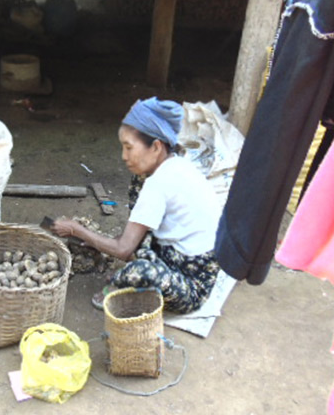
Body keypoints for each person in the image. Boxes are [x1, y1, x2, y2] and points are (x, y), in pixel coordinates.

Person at [51, 97, 221, 313]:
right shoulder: (177, 164)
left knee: (138, 271)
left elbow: (123, 250)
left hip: (194, 283)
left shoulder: (158, 184)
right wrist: (99, 241)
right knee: (138, 190)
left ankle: (125, 285)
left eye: (129, 148)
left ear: (156, 147)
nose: (124, 157)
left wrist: (76, 230)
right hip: (182, 255)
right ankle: (131, 252)